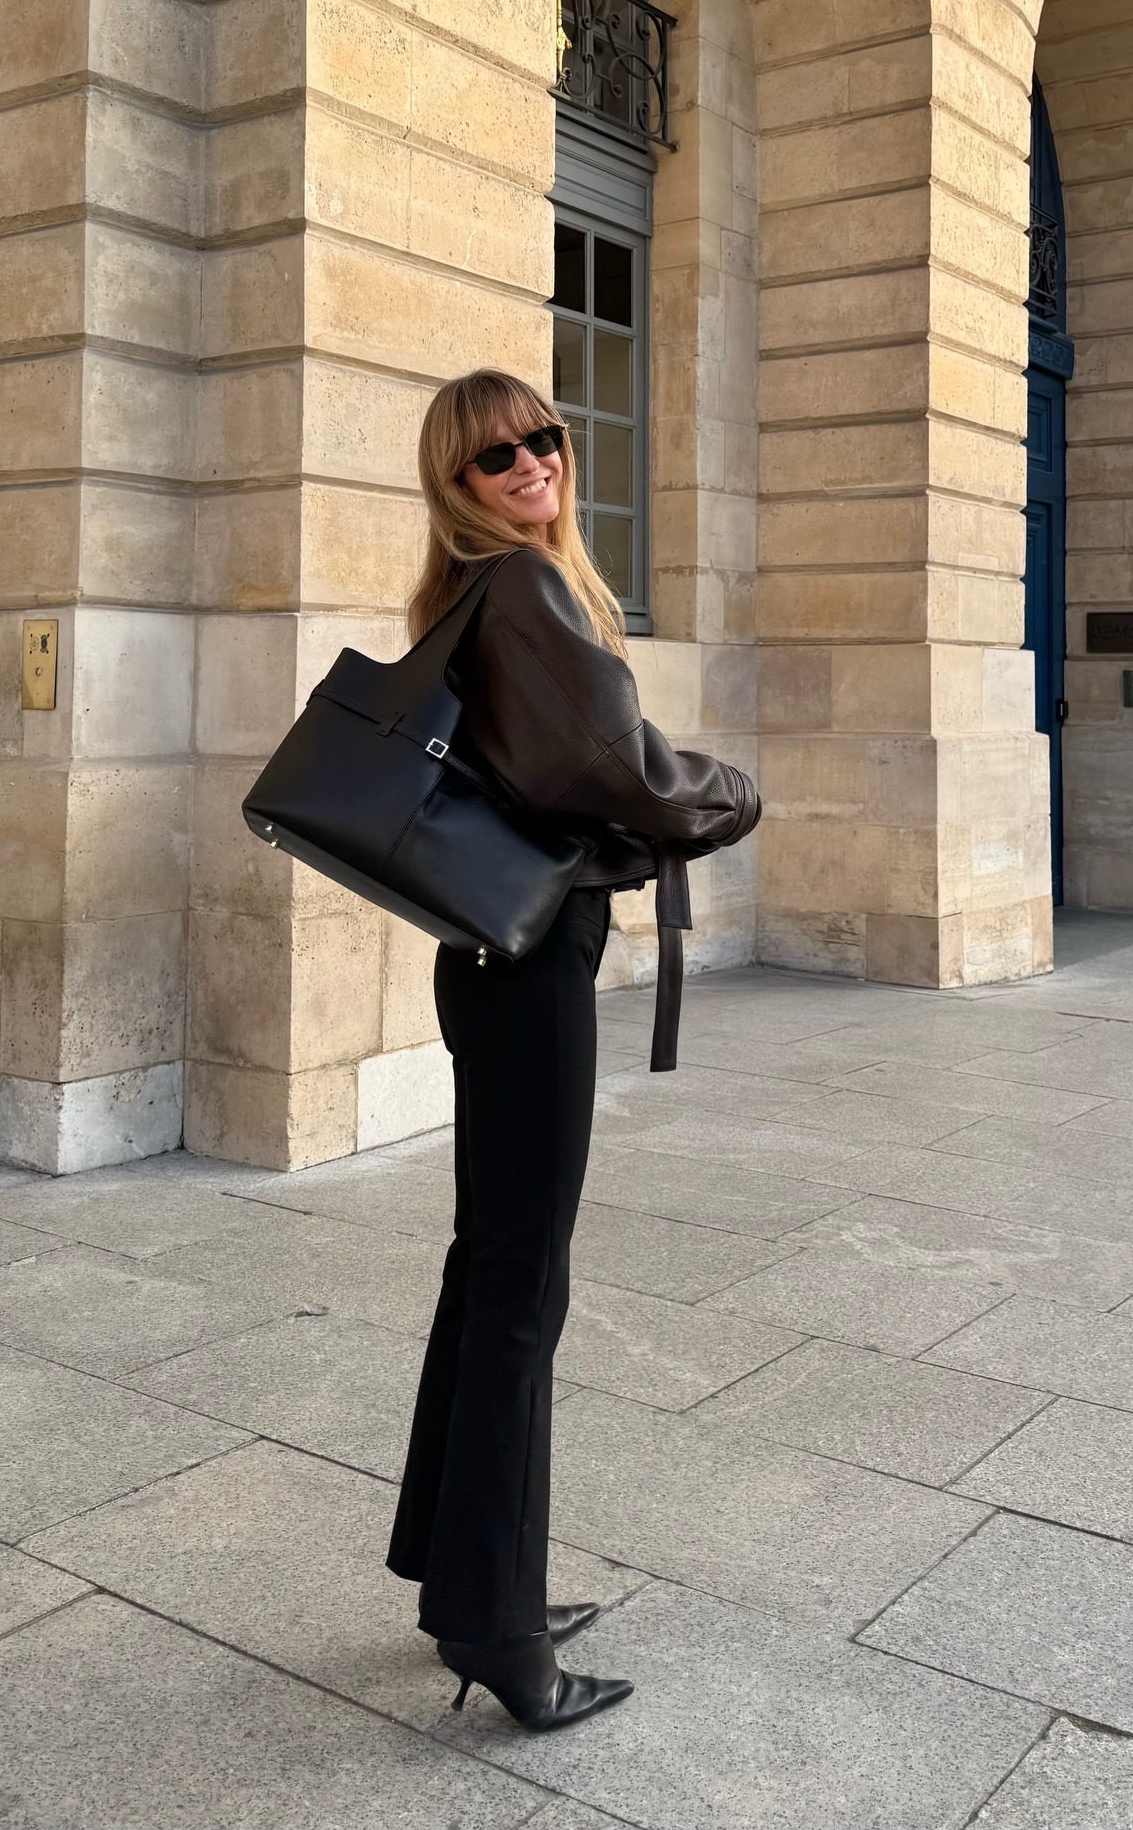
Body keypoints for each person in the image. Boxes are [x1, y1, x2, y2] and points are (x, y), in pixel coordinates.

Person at [385, 368, 760, 1731]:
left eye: (545, 436)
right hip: (532, 970)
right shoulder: (526, 595)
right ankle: (496, 1628)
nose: (534, 461)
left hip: (489, 964)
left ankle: (463, 1575)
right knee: (520, 1291)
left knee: (486, 1269)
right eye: (498, 456)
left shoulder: (481, 596)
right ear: (457, 484)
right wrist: (731, 792)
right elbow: (612, 768)